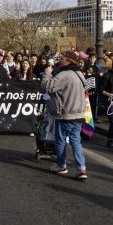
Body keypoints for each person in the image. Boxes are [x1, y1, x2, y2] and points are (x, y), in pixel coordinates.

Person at [42, 51, 88, 180]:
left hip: (65, 113)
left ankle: (61, 165)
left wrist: (47, 73)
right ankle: (81, 168)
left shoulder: (64, 75)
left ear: (69, 61)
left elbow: (47, 87)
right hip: (78, 113)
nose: (59, 61)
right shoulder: (79, 74)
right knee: (76, 141)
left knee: (60, 140)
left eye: (61, 59)